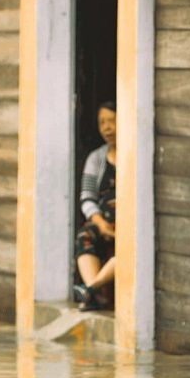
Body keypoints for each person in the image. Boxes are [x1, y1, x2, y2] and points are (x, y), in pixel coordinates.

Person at [73, 101, 116, 312]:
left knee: (130, 246)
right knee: (85, 235)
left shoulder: (135, 154)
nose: (107, 128)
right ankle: (94, 294)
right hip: (104, 221)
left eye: (112, 121)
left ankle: (90, 289)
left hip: (126, 224)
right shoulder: (96, 158)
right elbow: (87, 197)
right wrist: (100, 223)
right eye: (102, 123)